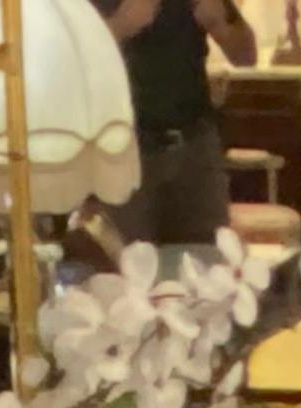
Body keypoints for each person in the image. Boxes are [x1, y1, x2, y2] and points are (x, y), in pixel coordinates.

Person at [108, 0, 264, 248]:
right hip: (125, 152)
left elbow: (247, 56)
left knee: (209, 259)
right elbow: (69, 57)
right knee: (126, 261)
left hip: (196, 148)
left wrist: (220, 23)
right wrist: (121, 26)